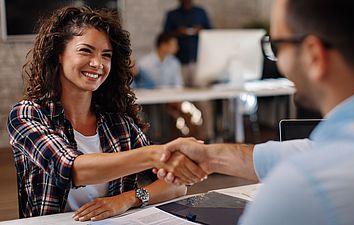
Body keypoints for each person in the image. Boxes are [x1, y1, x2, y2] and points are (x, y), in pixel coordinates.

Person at [157, 0, 354, 224]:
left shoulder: (300, 189)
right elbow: (306, 150)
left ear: (314, 55)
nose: (278, 61)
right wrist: (209, 157)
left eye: (276, 45)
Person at [7, 6, 206, 221]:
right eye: (86, 50)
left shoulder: (119, 122)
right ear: (58, 55)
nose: (97, 63)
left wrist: (127, 199)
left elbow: (177, 186)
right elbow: (72, 170)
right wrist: (156, 154)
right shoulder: (27, 115)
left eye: (106, 55)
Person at [163, 0, 211, 86]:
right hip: (179, 60)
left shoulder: (200, 12)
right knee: (181, 91)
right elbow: (165, 35)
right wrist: (178, 32)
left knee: (200, 92)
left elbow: (211, 32)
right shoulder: (172, 14)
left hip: (198, 59)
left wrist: (201, 30)